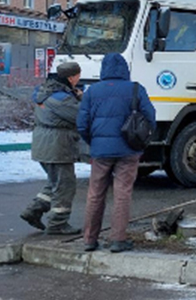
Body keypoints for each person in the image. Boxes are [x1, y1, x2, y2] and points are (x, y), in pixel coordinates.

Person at [77, 53, 155, 253]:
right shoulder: (136, 89)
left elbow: (82, 124)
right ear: (124, 69)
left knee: (95, 194)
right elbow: (150, 117)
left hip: (100, 152)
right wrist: (141, 142)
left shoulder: (92, 91)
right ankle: (118, 240)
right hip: (129, 150)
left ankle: (89, 240)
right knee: (122, 194)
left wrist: (93, 143)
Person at [20, 61, 84, 234]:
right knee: (65, 185)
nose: (79, 79)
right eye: (78, 75)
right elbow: (80, 116)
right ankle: (58, 223)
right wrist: (81, 99)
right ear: (71, 77)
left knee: (55, 182)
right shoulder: (61, 98)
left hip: (44, 143)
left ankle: (34, 210)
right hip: (57, 145)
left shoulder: (45, 91)